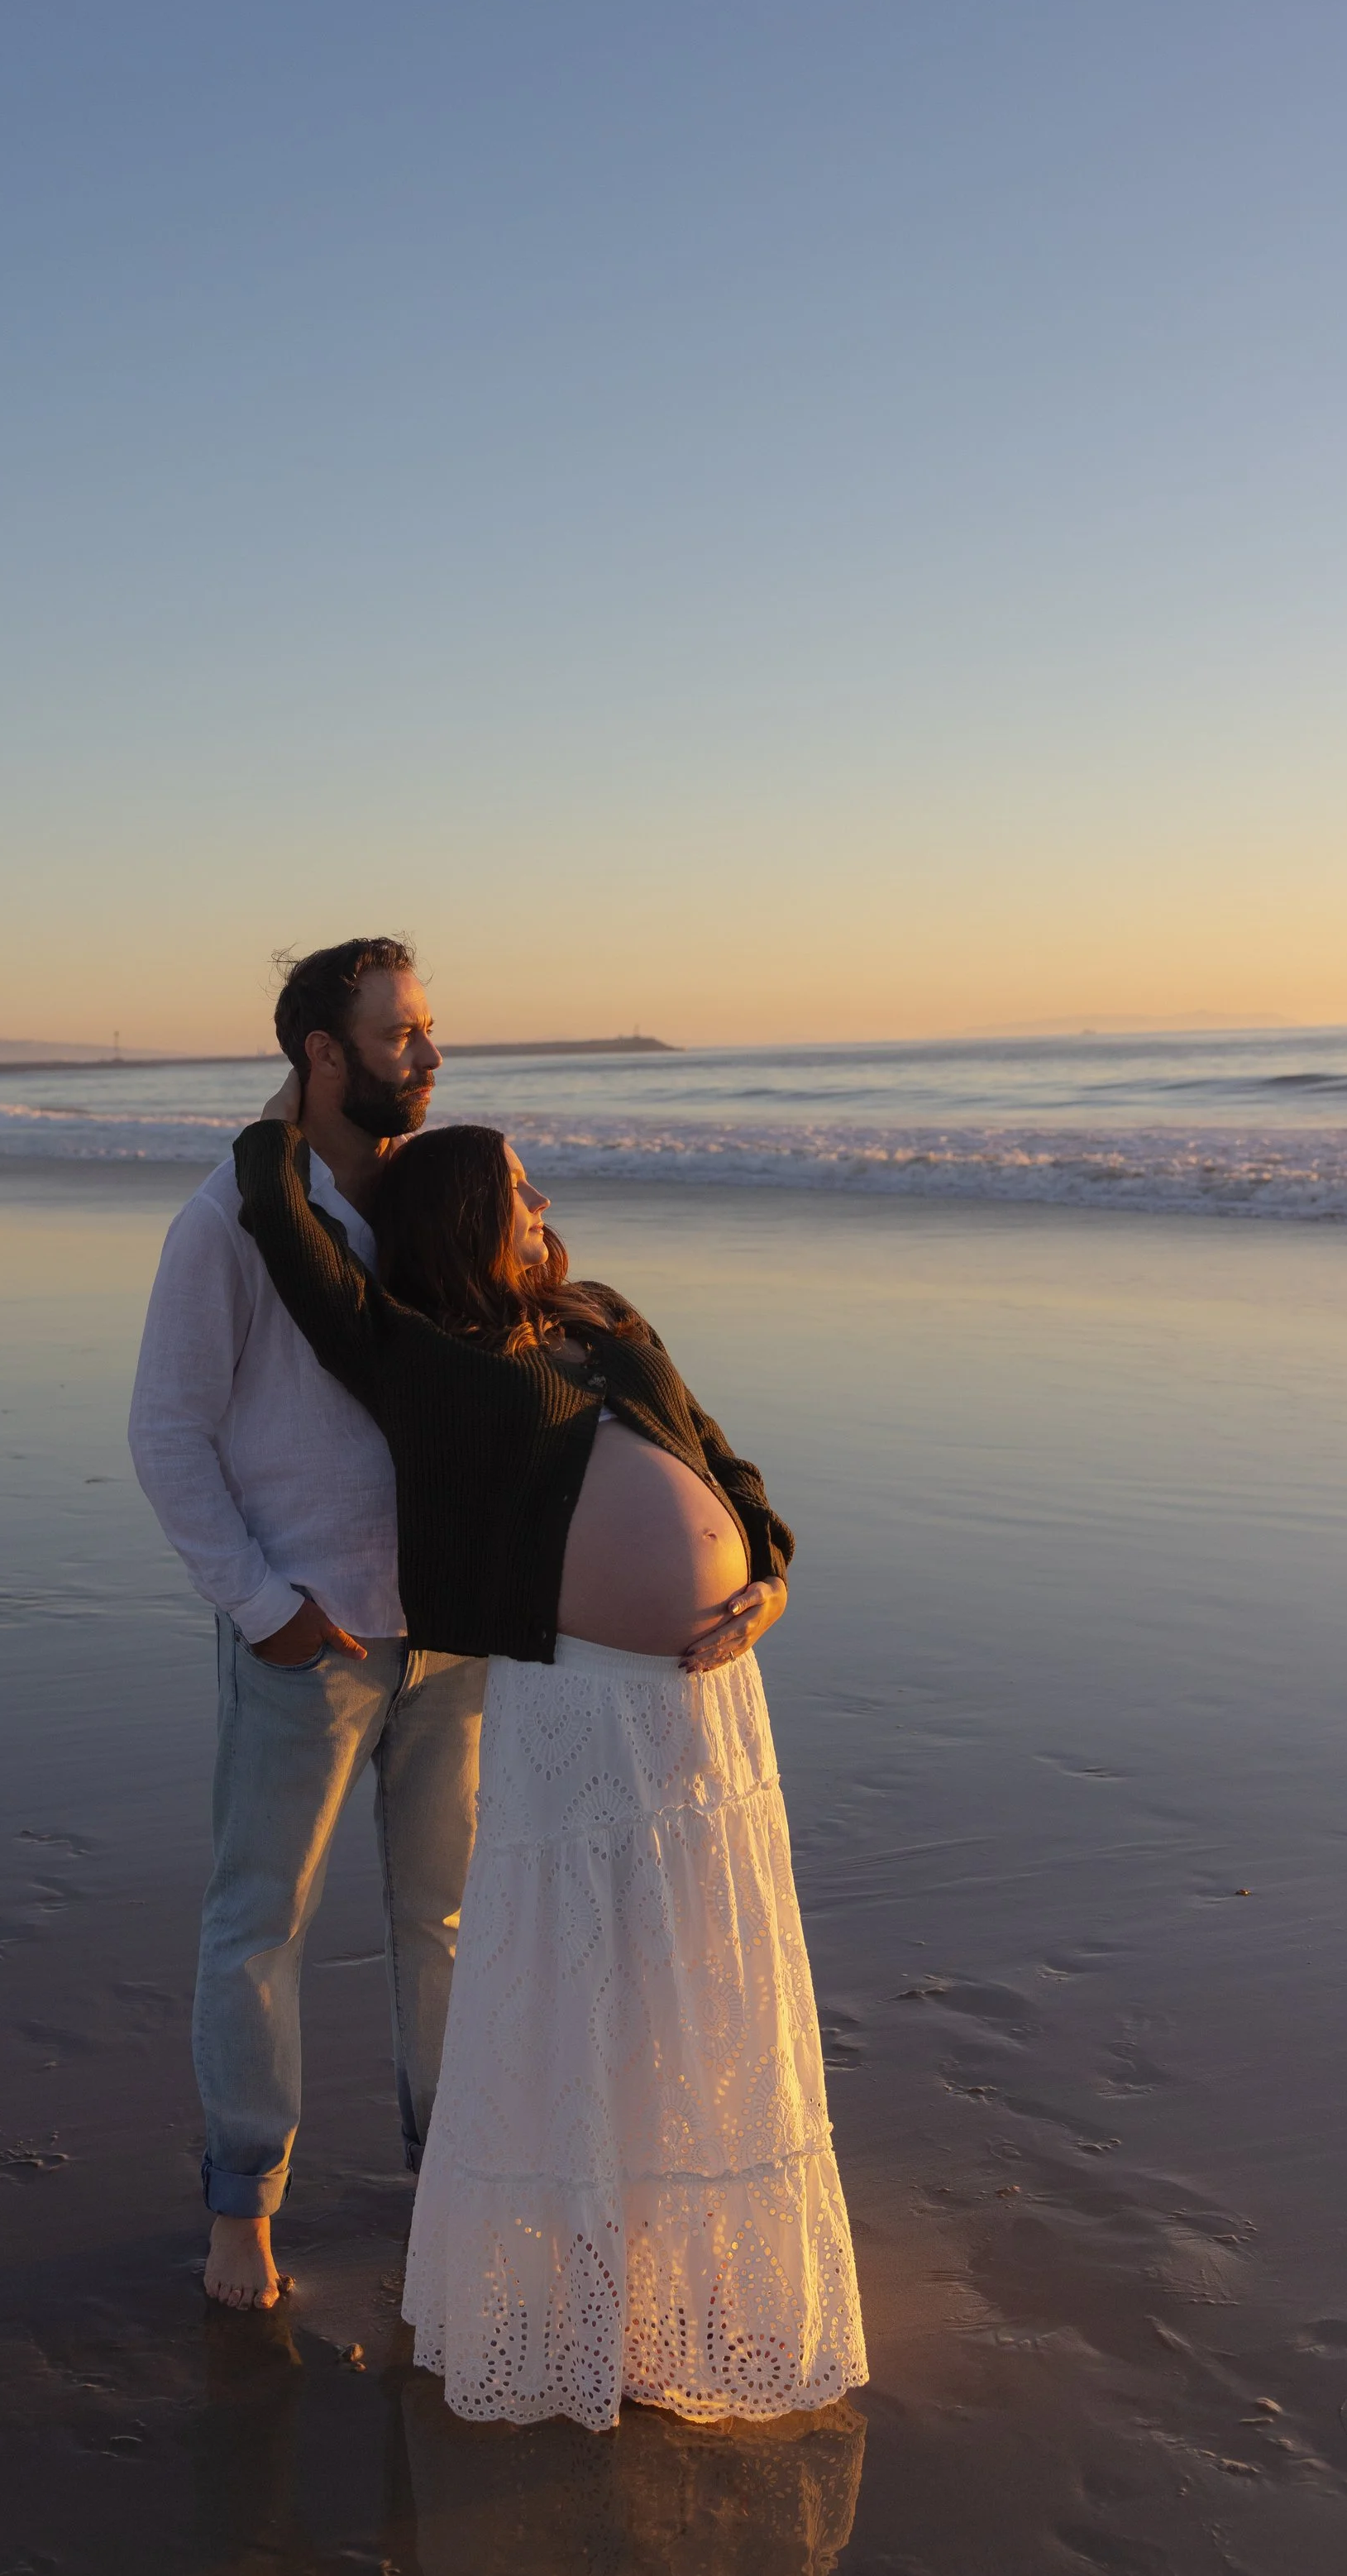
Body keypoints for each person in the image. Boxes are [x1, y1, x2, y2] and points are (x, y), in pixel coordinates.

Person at [232, 1097, 868, 2430]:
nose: (539, 1203)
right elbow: (291, 1240)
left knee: (694, 1976)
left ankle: (679, 2269)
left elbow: (728, 1464)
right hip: (582, 1712)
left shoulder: (605, 1320)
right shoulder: (419, 1359)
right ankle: (584, 2279)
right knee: (594, 1986)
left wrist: (774, 1577)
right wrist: (296, 1112)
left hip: (710, 1713)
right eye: (513, 1186)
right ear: (466, 1216)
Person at [128, 939, 489, 2313]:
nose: (430, 1054)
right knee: (259, 1922)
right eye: (401, 1034)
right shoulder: (225, 1220)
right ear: (320, 1054)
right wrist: (267, 1609)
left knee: (445, 1923)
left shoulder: (445, 1203)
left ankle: (446, 2191)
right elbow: (168, 1434)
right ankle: (243, 2216)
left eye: (430, 1028)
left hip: (450, 1635)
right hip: (310, 1636)